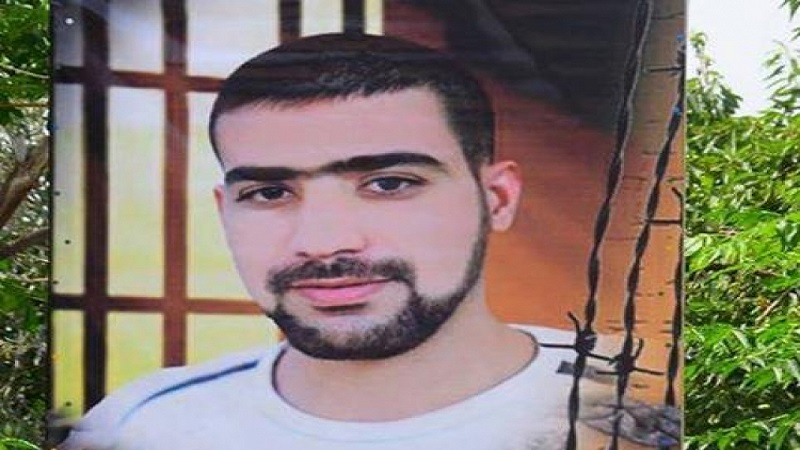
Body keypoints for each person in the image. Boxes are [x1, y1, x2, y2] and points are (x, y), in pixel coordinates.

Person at [60, 33, 578, 450]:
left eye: (389, 184)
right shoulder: (140, 428)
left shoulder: (620, 399)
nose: (324, 243)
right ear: (225, 212)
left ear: (497, 199)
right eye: (269, 193)